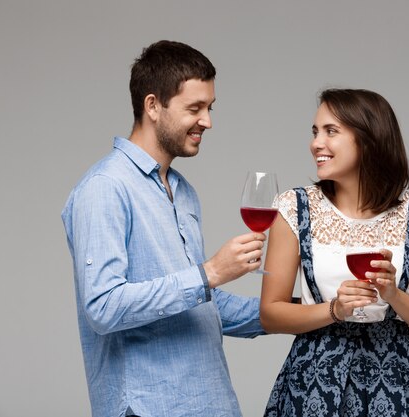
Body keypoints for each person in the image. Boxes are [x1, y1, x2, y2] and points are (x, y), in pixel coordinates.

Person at [61, 40, 266, 417]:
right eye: (195, 108)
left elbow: (201, 305)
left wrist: (299, 311)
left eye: (210, 107)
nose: (208, 121)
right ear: (152, 105)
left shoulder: (184, 192)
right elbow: (103, 308)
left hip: (213, 404)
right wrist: (212, 272)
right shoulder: (105, 188)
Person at [260, 88, 409, 416]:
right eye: (315, 131)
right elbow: (271, 313)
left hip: (394, 381)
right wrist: (335, 309)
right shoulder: (294, 207)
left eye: (331, 131)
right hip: (313, 381)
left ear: (369, 140)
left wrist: (394, 295)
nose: (316, 143)